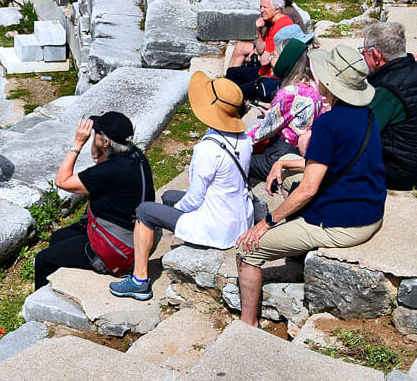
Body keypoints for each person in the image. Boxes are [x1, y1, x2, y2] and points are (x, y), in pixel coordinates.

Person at [234, 45, 385, 327]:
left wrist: (266, 222)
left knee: (247, 249)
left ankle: (247, 324)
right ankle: (294, 246)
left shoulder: (329, 124)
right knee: (289, 170)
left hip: (342, 224)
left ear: (329, 82)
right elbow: (339, 163)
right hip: (369, 209)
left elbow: (309, 189)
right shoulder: (368, 115)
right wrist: (286, 163)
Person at [109, 72, 253, 301]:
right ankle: (166, 242)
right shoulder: (244, 138)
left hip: (216, 226)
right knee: (168, 196)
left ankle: (139, 280)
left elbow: (195, 199)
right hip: (238, 218)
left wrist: (179, 208)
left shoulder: (208, 149)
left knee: (145, 211)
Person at [33, 112, 154, 289]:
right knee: (58, 237)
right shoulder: (133, 155)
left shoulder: (111, 170)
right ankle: (64, 282)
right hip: (124, 229)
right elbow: (98, 158)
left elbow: (62, 181)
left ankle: (40, 305)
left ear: (106, 142)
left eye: (96, 131)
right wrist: (103, 131)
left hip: (115, 247)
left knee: (43, 260)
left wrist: (77, 143)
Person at [362, 22, 417, 190]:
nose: (363, 57)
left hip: (399, 173)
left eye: (364, 52)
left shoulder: (387, 89)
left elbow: (360, 134)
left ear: (377, 55)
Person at [246, 37, 323, 188]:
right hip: (301, 149)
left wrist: (234, 142)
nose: (272, 58)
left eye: (275, 55)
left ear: (286, 60)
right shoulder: (313, 86)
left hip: (281, 153)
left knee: (238, 161)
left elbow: (264, 131)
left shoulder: (289, 93)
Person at [226, 0, 295, 100]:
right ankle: (227, 97)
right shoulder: (272, 23)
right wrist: (258, 31)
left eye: (265, 7)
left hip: (271, 78)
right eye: (261, 7)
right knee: (232, 73)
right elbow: (260, 49)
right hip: (264, 71)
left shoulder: (281, 26)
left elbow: (264, 60)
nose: (261, 10)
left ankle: (231, 103)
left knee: (236, 89)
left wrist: (257, 56)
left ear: (277, 9)